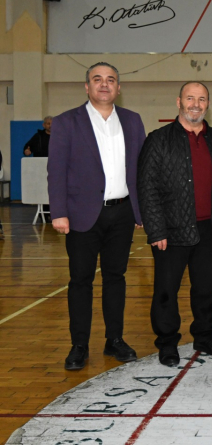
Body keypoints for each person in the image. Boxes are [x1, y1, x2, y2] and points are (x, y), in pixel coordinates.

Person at [48, 62, 146, 371]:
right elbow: (56, 170)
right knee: (81, 281)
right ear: (87, 86)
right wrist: (59, 212)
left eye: (111, 80)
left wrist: (141, 210)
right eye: (97, 79)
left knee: (116, 278)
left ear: (119, 88)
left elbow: (141, 169)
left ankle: (114, 339)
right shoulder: (66, 122)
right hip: (81, 215)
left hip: (122, 213)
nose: (104, 84)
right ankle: (79, 345)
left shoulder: (132, 120)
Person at [137, 81, 212, 367]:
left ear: (208, 104)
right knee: (166, 291)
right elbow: (147, 187)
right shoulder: (158, 140)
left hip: (209, 230)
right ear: (179, 102)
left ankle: (204, 337)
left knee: (206, 289)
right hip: (170, 231)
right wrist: (156, 229)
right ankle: (167, 343)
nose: (196, 104)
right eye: (190, 98)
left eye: (201, 99)